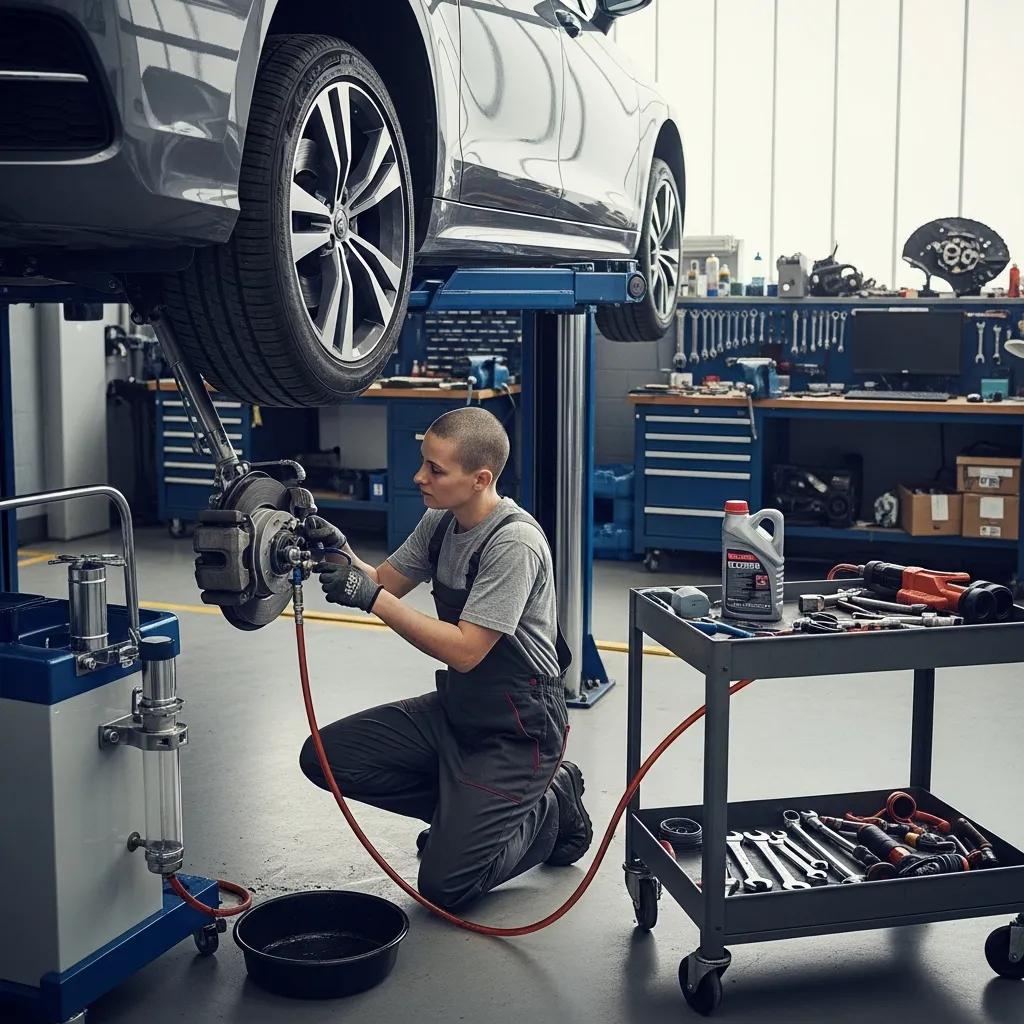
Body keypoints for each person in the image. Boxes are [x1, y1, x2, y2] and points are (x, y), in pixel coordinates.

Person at [298, 406, 592, 910]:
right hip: (459, 709)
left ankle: (548, 807)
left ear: (480, 479)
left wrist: (371, 599)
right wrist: (338, 554)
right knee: (325, 757)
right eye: (423, 463)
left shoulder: (513, 543)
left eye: (436, 469)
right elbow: (383, 582)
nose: (419, 477)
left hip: (518, 727)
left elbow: (467, 650)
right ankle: (469, 818)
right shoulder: (440, 523)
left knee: (444, 887)